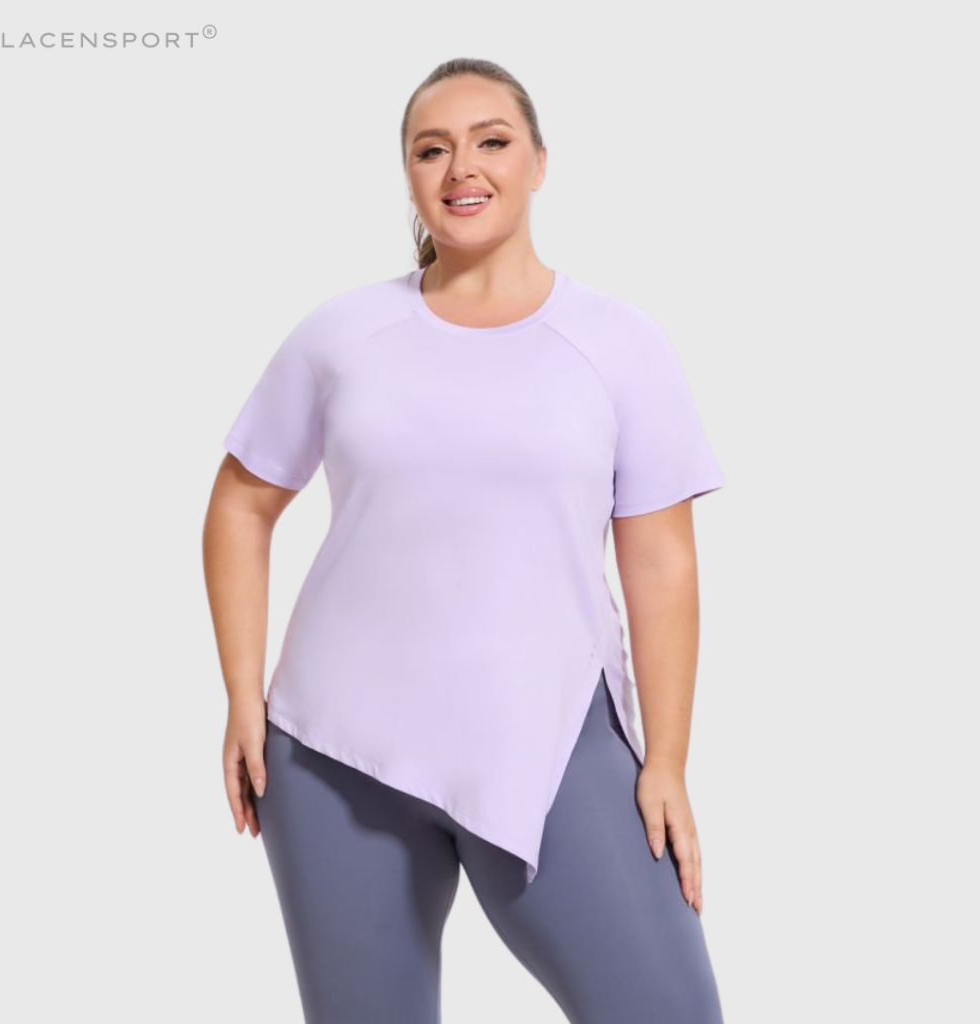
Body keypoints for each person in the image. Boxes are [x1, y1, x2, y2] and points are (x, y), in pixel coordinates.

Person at [203, 57, 727, 1024]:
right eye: (431, 149)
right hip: (334, 752)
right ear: (408, 173)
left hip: (552, 742)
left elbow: (661, 560)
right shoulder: (342, 334)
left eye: (492, 141)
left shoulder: (618, 342)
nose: (462, 168)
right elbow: (241, 504)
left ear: (538, 162)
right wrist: (243, 700)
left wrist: (666, 761)